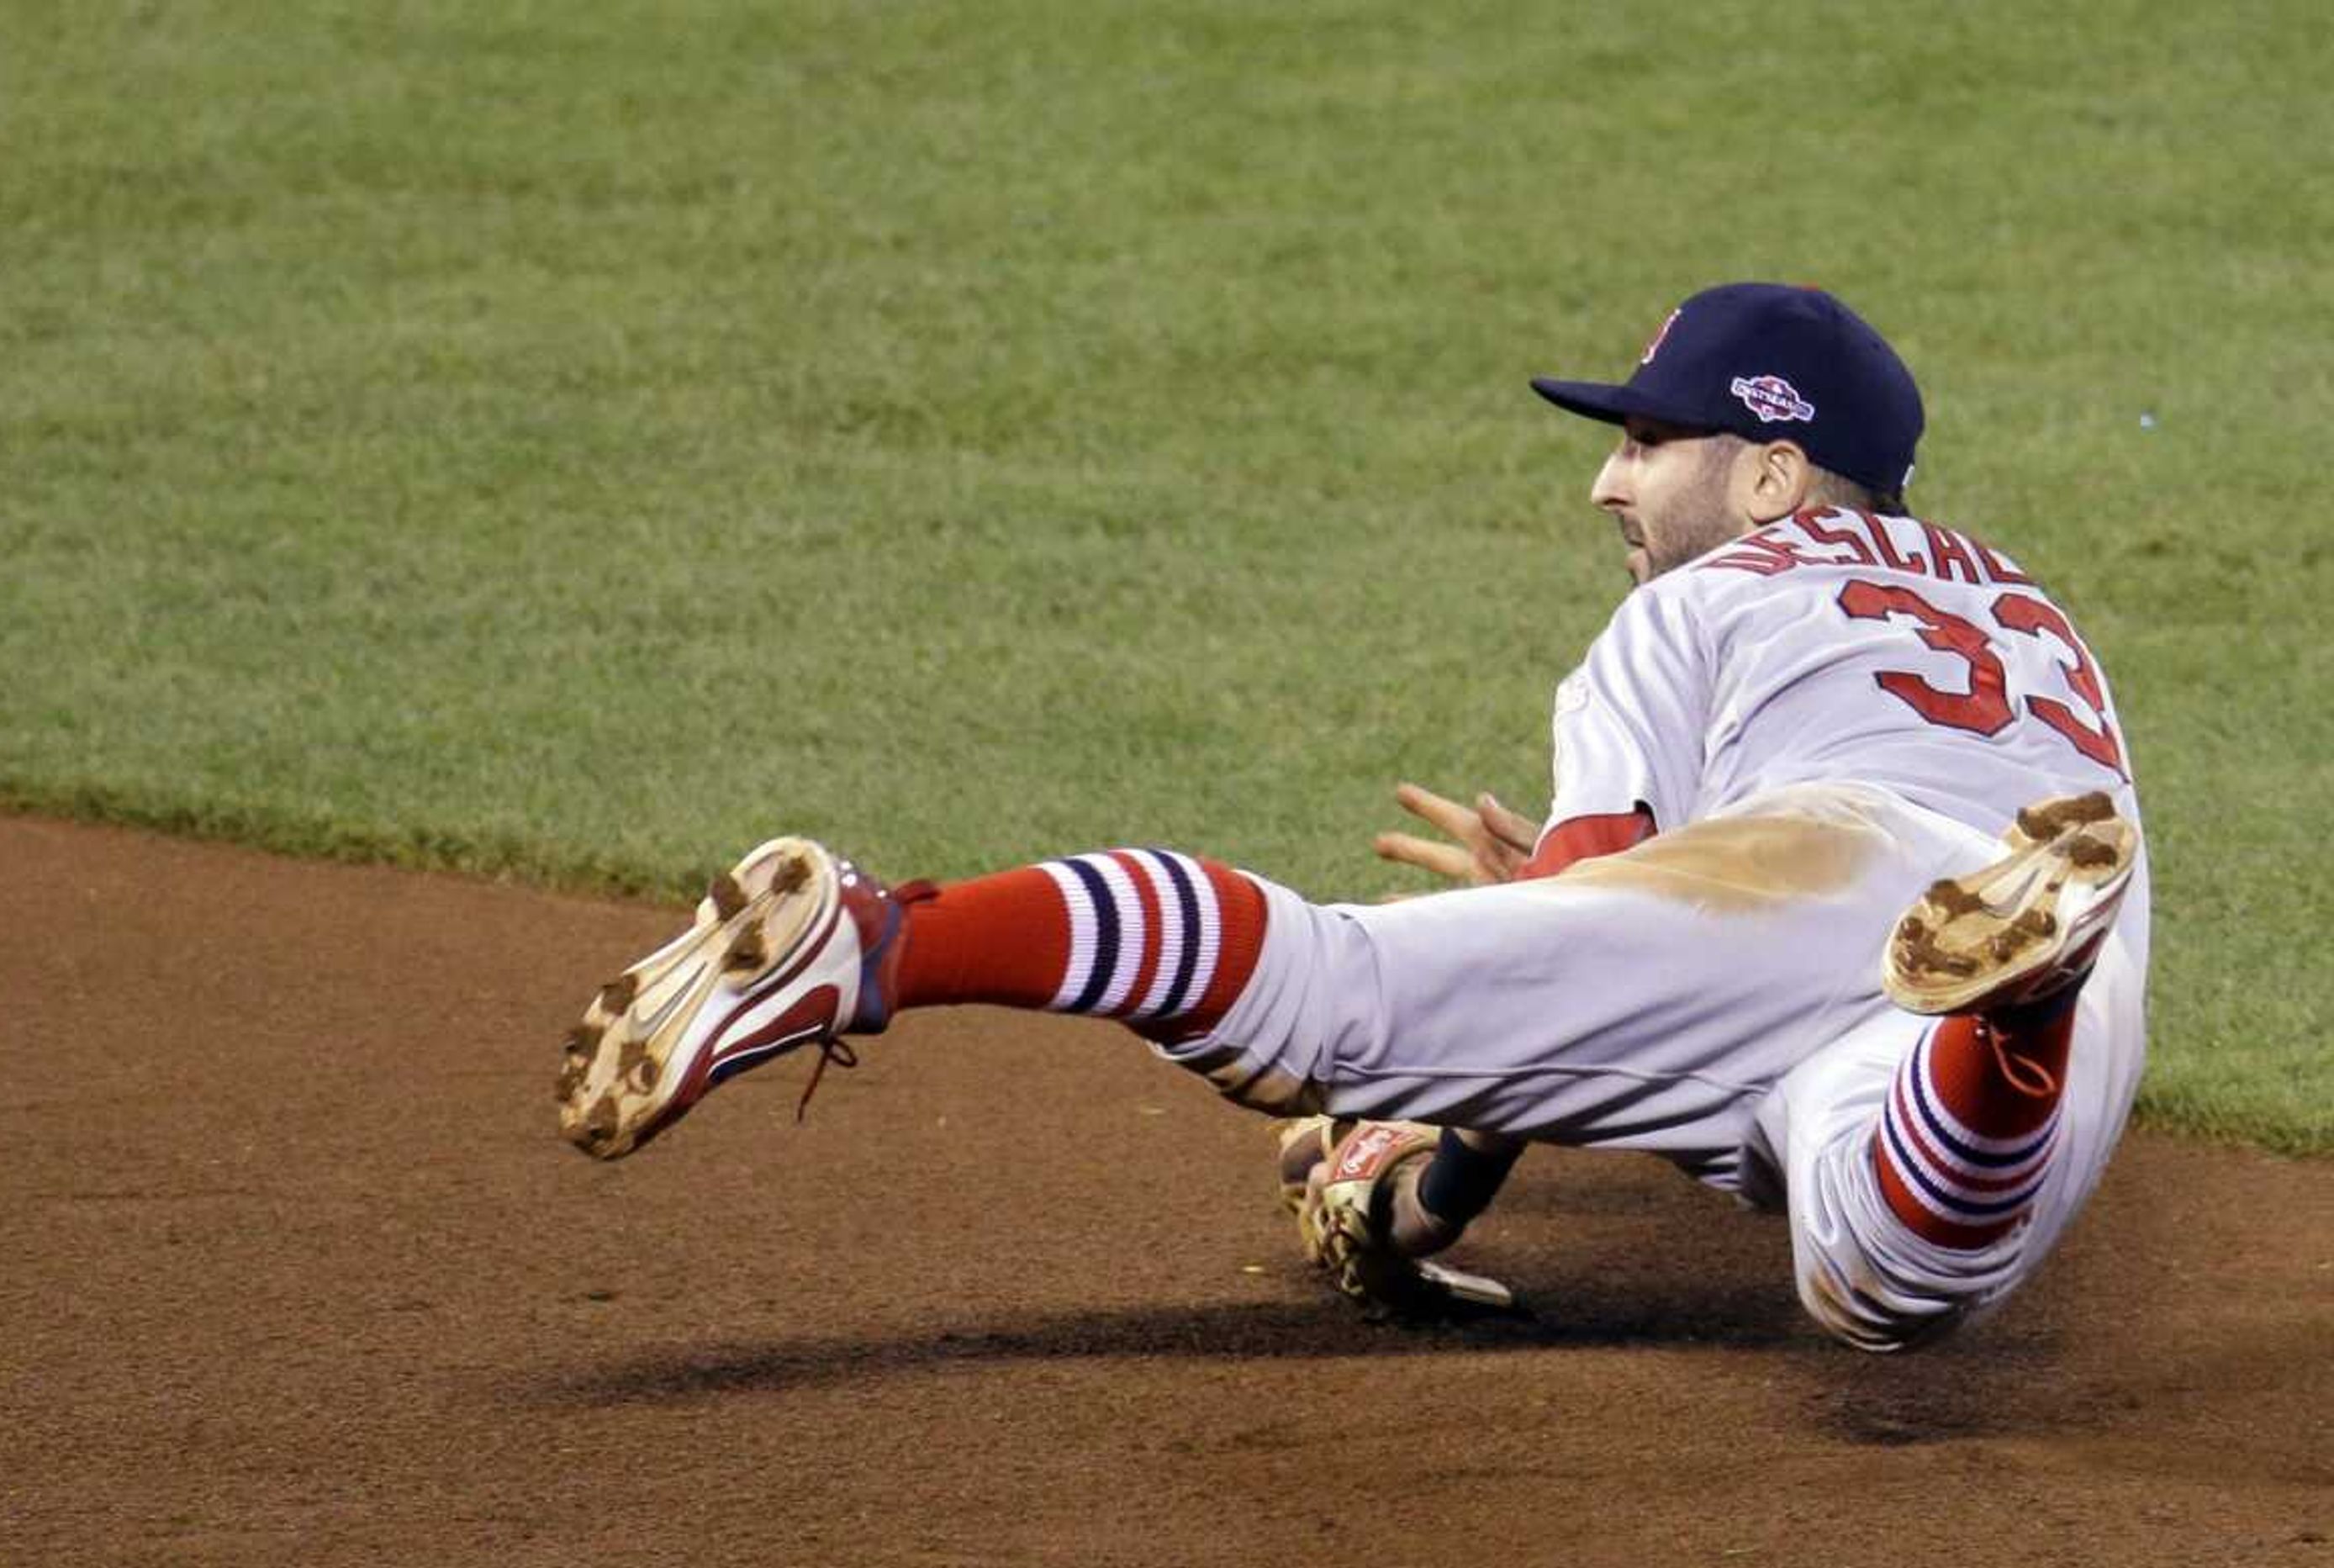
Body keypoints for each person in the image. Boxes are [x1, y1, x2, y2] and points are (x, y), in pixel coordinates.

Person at [553, 282, 2148, 1352]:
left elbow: (1561, 991)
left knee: (1343, 998)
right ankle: (2019, 1015)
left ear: (1772, 481)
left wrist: (1468, 1084)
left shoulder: (1700, 603)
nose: (1608, 483)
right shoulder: (2040, 613)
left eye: (1648, 440)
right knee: (1887, 1281)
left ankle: (882, 935)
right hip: (2043, 919)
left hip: (1822, 858)